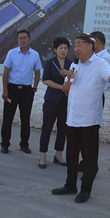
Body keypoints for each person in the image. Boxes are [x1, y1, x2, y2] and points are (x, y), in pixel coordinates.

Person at [51, 33, 110, 203]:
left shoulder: (100, 64)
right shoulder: (75, 65)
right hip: (73, 119)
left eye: (79, 44)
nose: (76, 48)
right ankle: (70, 185)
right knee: (71, 156)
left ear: (90, 46)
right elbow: (66, 90)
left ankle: (86, 190)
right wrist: (69, 79)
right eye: (75, 45)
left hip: (89, 121)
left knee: (89, 158)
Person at [0, 30, 42, 154]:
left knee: (25, 119)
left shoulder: (35, 55)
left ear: (29, 39)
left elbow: (37, 73)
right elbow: (5, 73)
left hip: (27, 91)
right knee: (7, 118)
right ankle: (5, 144)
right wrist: (5, 90)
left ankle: (24, 144)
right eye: (20, 38)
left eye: (25, 38)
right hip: (12, 90)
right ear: (17, 40)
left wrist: (34, 88)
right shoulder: (11, 53)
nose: (22, 40)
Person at [38, 37, 72, 169]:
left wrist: (68, 74)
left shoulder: (71, 64)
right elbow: (45, 80)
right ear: (55, 50)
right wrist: (61, 87)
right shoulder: (50, 63)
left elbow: (75, 80)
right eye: (60, 48)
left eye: (65, 48)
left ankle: (58, 155)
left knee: (63, 129)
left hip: (65, 100)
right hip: (51, 100)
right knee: (47, 127)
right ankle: (42, 156)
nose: (63, 50)